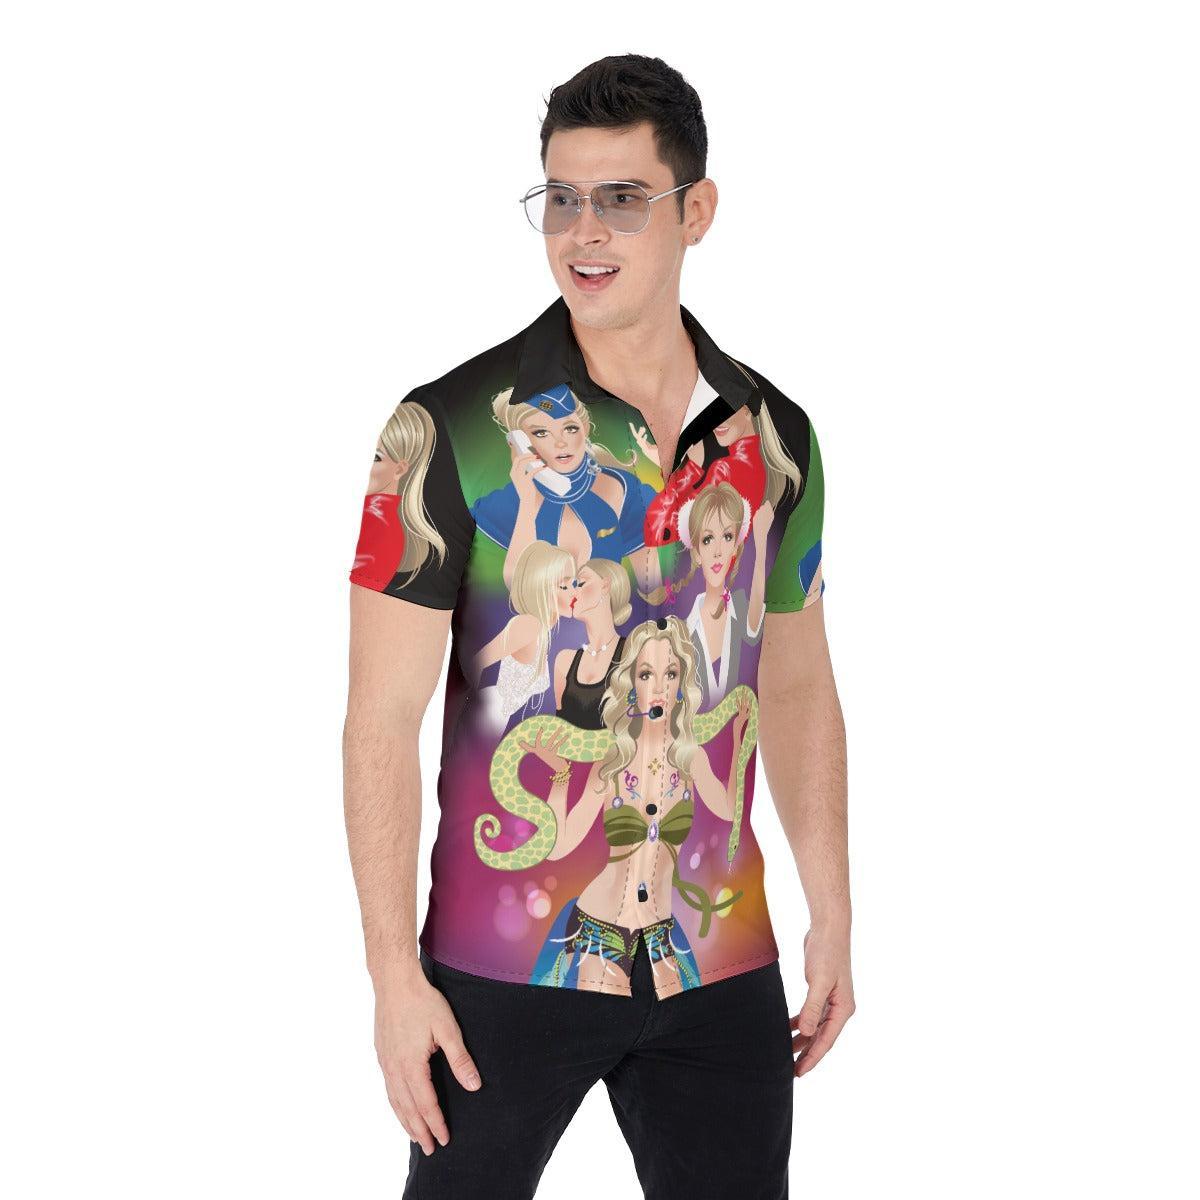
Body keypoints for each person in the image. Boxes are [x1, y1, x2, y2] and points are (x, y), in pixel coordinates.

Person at [343, 53, 852, 1200]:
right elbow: (380, 718)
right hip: (499, 966)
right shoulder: (446, 431)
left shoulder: (776, 439)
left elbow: (798, 685)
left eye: (621, 197)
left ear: (695, 211)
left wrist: (832, 911)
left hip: (719, 953)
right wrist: (391, 978)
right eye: (562, 197)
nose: (584, 231)